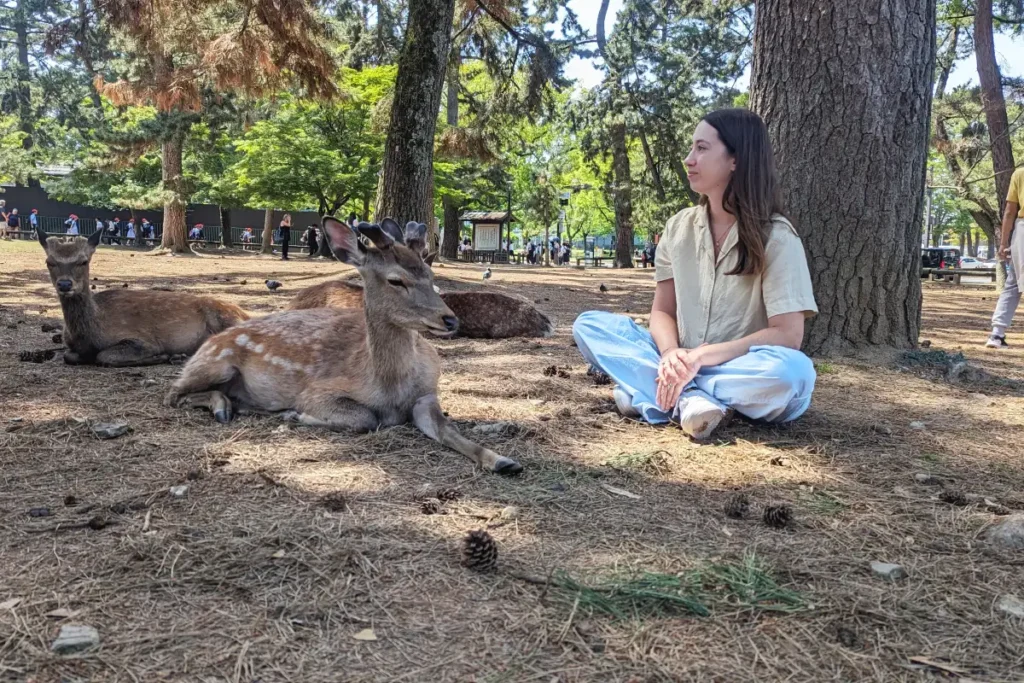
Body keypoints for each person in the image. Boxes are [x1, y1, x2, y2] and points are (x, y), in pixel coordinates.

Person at [572, 108, 818, 441]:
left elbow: (788, 336)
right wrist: (673, 353)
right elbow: (661, 311)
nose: (689, 159)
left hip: (738, 368)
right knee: (589, 325)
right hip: (679, 359)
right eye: (691, 148)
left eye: (701, 149)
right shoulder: (678, 228)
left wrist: (700, 358)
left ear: (735, 159)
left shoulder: (777, 237)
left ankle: (656, 393)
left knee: (792, 374)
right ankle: (689, 399)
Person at [985, 167, 1024, 349]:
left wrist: (1003, 243)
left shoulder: (1020, 174)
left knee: (1013, 283)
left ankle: (997, 333)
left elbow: (1010, 211)